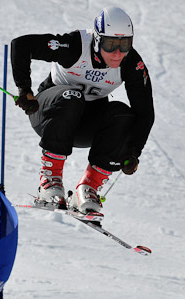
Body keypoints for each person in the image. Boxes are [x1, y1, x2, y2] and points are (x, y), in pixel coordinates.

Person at [11, 6, 155, 217]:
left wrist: (134, 152)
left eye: (125, 45)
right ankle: (50, 180)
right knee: (73, 97)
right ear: (97, 40)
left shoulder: (131, 63)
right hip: (47, 113)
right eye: (110, 44)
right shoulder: (75, 46)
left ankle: (88, 188)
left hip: (84, 125)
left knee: (122, 114)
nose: (117, 53)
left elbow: (145, 113)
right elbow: (21, 45)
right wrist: (25, 90)